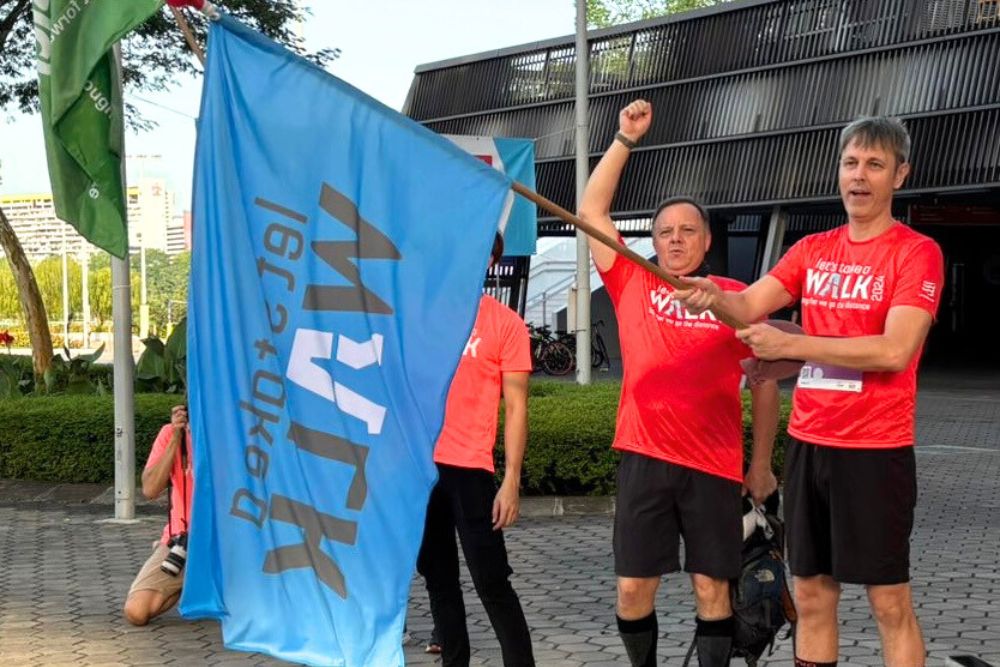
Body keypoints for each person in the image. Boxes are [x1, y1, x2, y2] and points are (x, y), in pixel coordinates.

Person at [675, 115, 943, 667]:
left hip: (875, 452)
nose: (859, 176)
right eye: (850, 163)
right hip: (809, 444)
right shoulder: (812, 249)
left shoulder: (916, 253)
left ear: (900, 174)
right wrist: (711, 294)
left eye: (874, 164)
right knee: (814, 595)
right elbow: (749, 305)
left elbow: (895, 350)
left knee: (889, 602)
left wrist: (794, 346)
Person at [577, 99, 781, 667]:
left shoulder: (737, 296)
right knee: (632, 588)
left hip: (713, 465)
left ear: (706, 239)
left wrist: (761, 464)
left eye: (687, 231)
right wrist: (623, 139)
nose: (673, 240)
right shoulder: (632, 279)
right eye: (664, 231)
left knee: (712, 590)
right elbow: (591, 209)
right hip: (644, 458)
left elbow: (766, 379)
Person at [416, 232, 535, 667]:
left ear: (491, 260)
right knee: (438, 579)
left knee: (492, 581)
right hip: (422, 470)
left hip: (471, 471)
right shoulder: (420, 317)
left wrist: (511, 482)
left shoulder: (506, 324)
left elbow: (517, 407)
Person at [123, 404, 194, 626]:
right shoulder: (171, 433)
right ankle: (186, 579)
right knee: (137, 611)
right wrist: (176, 437)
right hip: (185, 539)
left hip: (230, 539)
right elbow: (150, 490)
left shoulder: (232, 431)